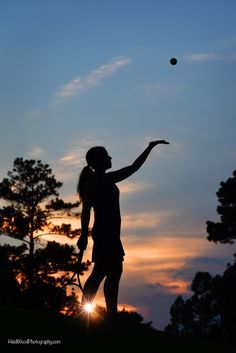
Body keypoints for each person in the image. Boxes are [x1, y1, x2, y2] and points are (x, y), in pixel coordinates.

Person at [76, 140, 169, 319]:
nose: (110, 158)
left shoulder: (107, 178)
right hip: (103, 233)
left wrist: (149, 147)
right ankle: (101, 314)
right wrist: (83, 235)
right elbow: (86, 210)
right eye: (106, 156)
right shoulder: (94, 181)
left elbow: (133, 167)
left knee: (106, 271)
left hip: (110, 233)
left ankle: (105, 313)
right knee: (106, 271)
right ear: (97, 161)